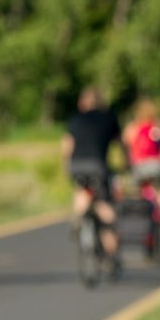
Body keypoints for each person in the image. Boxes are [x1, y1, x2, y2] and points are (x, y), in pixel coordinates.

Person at [62, 88, 126, 259]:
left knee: (81, 189)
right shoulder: (109, 118)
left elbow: (67, 143)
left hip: (76, 165)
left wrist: (67, 164)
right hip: (98, 165)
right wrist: (126, 162)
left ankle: (78, 216)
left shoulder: (76, 119)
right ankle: (110, 233)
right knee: (103, 201)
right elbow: (121, 143)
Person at [123, 98, 160, 214]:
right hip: (158, 165)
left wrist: (126, 163)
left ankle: (140, 209)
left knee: (137, 188)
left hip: (139, 166)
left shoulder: (133, 128)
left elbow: (125, 146)